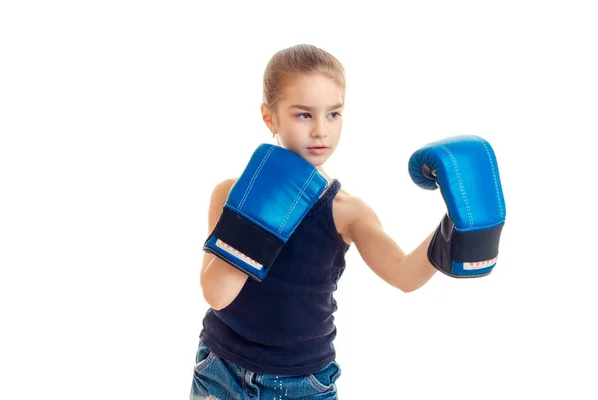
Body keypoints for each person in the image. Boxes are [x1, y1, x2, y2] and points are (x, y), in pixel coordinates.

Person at [190, 44, 505, 399]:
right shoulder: (229, 193)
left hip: (303, 382)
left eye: (334, 114)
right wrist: (262, 204)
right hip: (221, 369)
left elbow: (403, 274)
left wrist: (457, 221)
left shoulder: (347, 211)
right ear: (269, 117)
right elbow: (217, 294)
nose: (321, 130)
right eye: (304, 115)